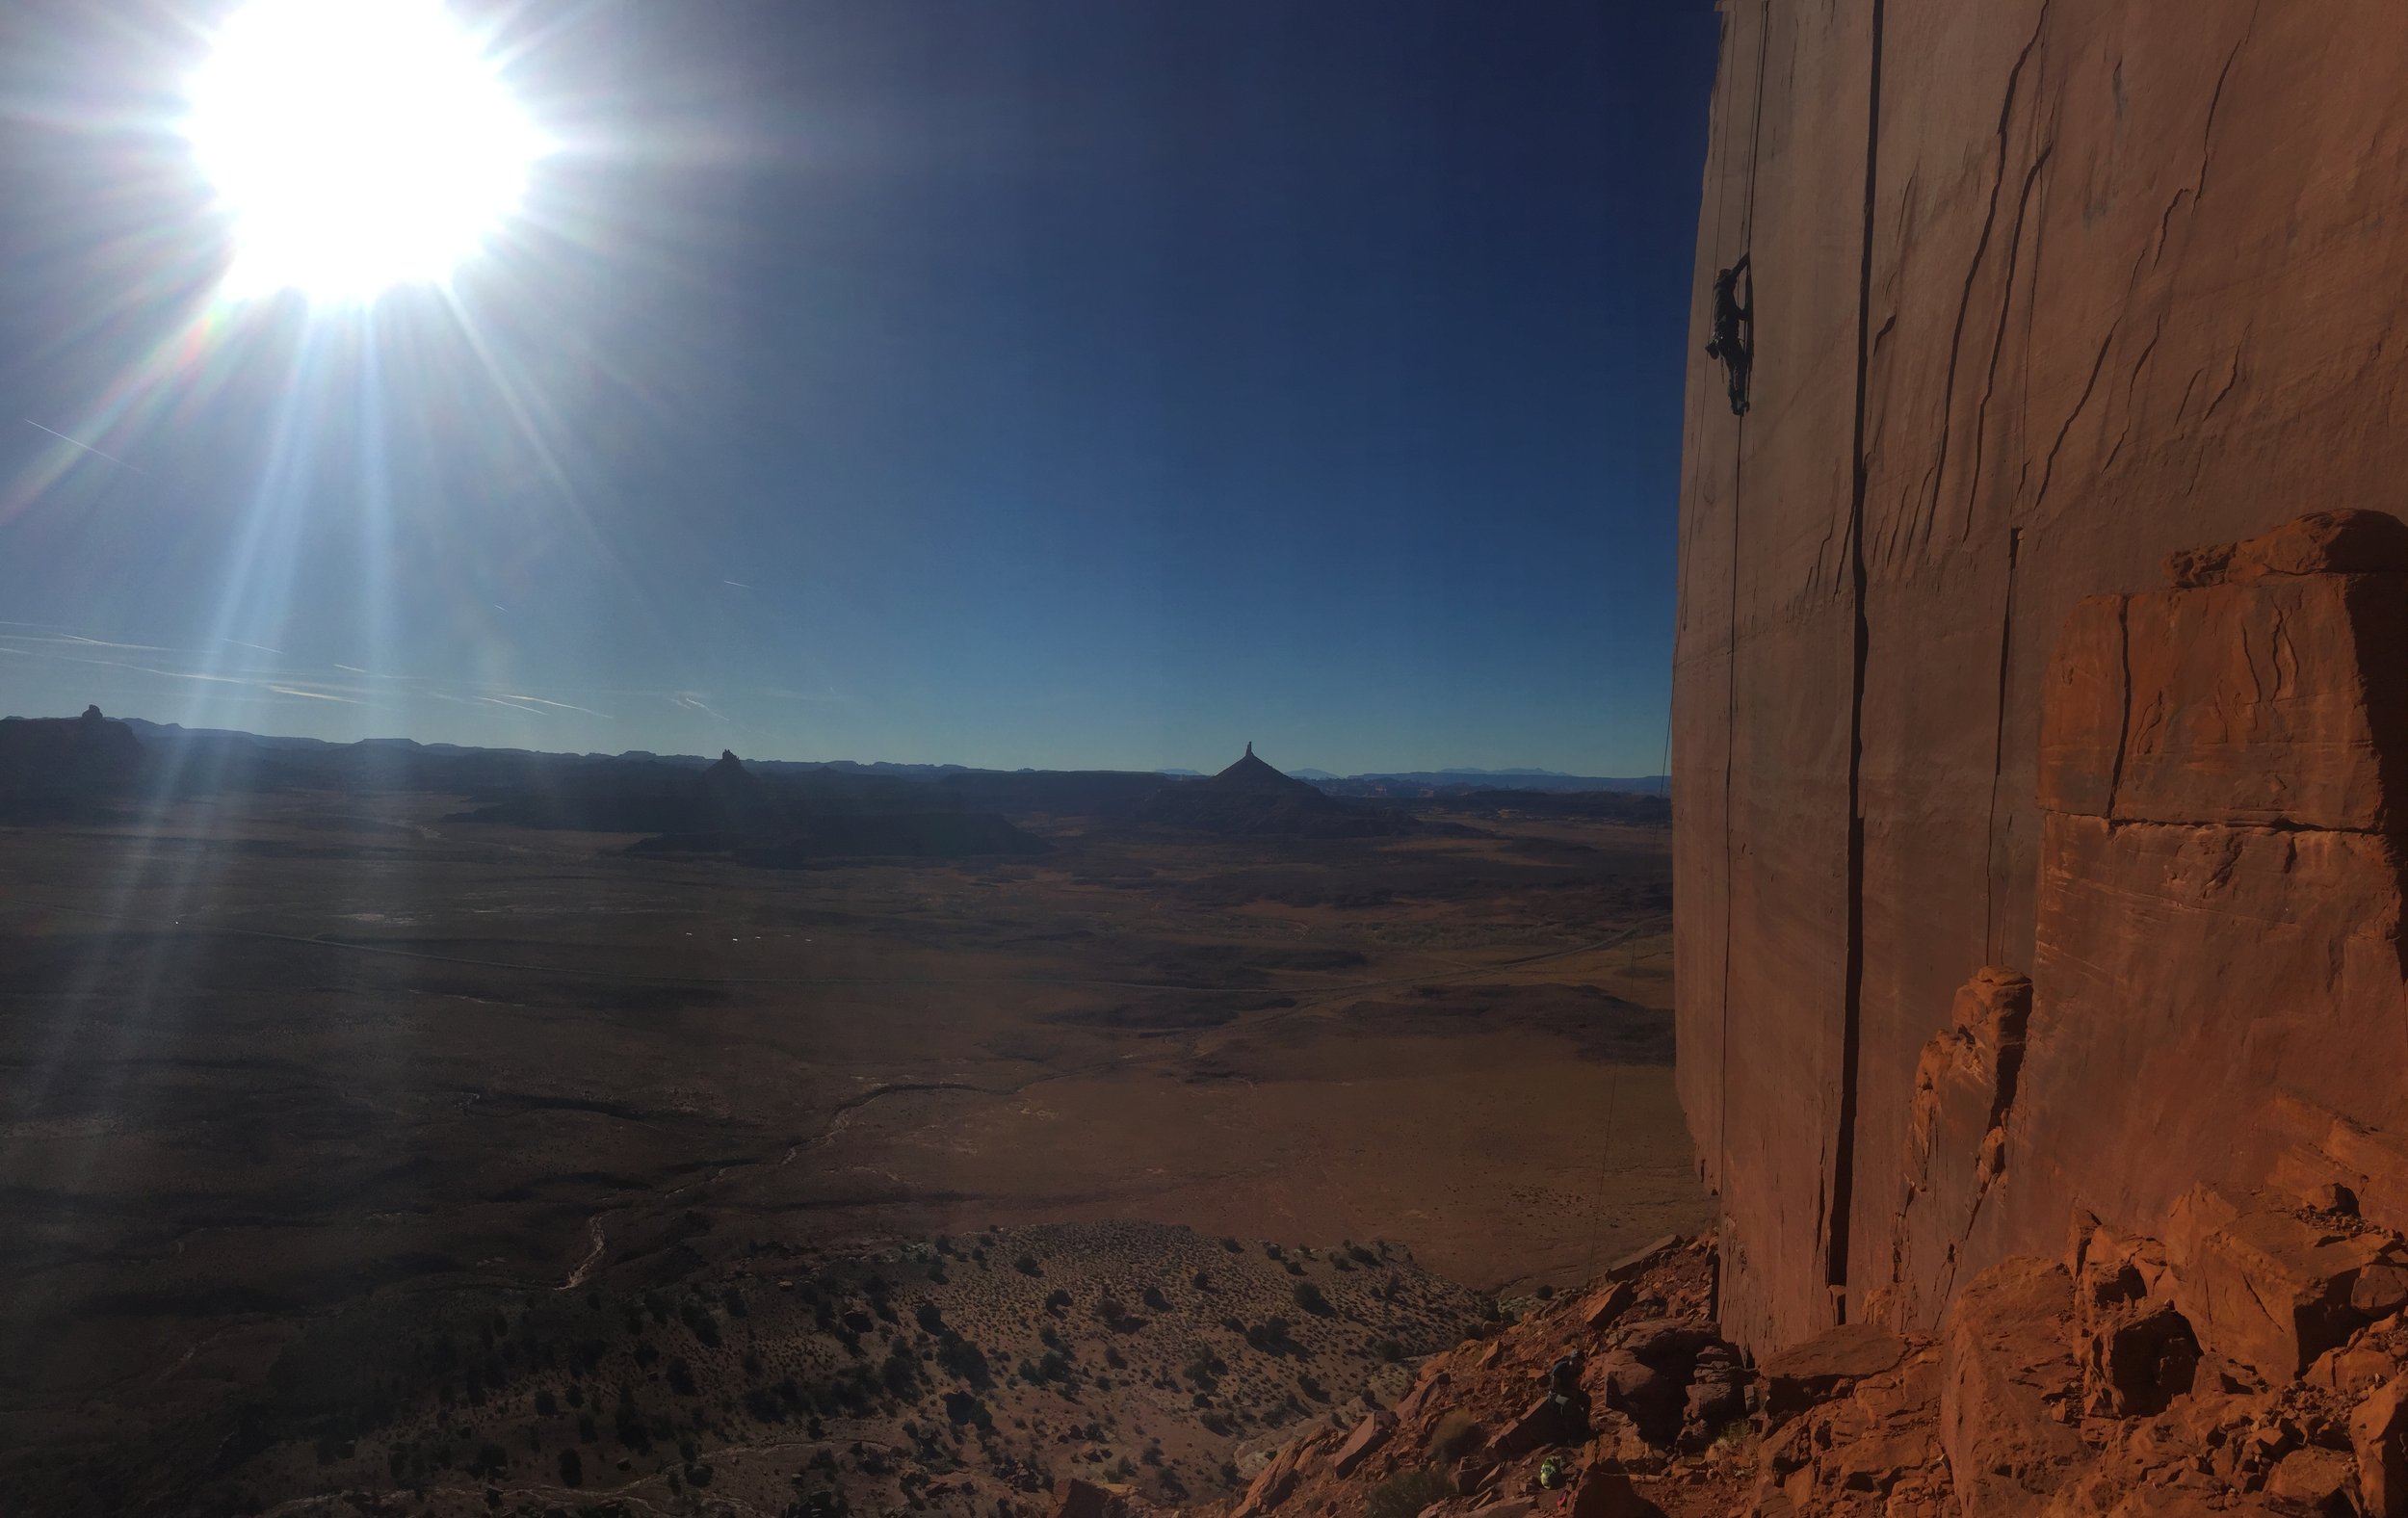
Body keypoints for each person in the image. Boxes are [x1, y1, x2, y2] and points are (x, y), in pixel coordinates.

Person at [1704, 253, 1753, 415]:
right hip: (1727, 335)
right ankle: (1739, 397)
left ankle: (1733, 402)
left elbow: (1730, 311)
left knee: (1732, 368)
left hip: (1722, 338)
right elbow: (1734, 273)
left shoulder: (1720, 295)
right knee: (1739, 363)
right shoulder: (1723, 286)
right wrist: (1746, 259)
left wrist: (1742, 314)